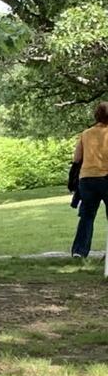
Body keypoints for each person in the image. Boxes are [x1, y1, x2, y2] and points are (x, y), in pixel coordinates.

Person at [70, 100, 108, 258]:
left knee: (86, 216)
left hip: (86, 179)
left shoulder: (86, 133)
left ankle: (79, 251)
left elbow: (77, 157)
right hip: (106, 178)